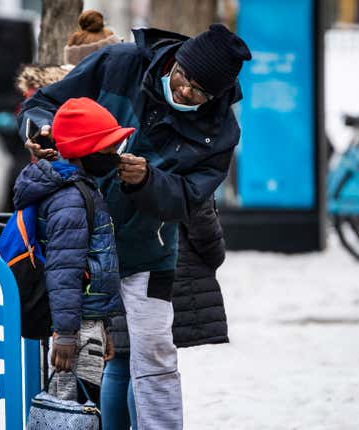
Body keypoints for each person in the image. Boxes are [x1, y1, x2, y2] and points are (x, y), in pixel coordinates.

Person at [19, 23, 251, 429]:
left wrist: (148, 181)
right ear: (175, 61)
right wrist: (42, 132)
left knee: (156, 355)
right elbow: (44, 103)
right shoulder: (118, 63)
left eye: (198, 92)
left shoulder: (221, 132)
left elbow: (189, 198)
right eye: (183, 78)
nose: (184, 92)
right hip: (83, 243)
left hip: (152, 252)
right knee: (89, 356)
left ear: (216, 96)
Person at [13, 97, 135, 405]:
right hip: (75, 326)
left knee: (80, 403)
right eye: (107, 148)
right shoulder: (70, 198)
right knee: (73, 407)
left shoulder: (79, 187)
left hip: (85, 321)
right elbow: (64, 271)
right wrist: (67, 335)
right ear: (84, 150)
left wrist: (103, 326)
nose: (114, 155)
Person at [104, 198, 228, 429]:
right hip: (162, 263)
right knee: (149, 361)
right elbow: (200, 217)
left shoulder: (108, 164)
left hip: (115, 258)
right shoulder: (174, 162)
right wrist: (214, 254)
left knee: (120, 360)